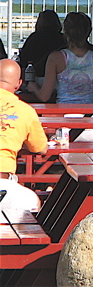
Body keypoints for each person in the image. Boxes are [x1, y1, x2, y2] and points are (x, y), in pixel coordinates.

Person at [27, 12, 93, 141]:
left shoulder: (56, 58)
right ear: (89, 31)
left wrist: (33, 87)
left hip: (63, 122)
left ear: (65, 32)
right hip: (91, 122)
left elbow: (44, 96)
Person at [0, 59, 48, 212]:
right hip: (3, 183)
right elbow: (40, 148)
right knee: (33, 203)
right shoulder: (25, 111)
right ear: (19, 84)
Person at [19, 10, 65, 78]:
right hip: (59, 74)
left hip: (36, 74)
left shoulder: (35, 37)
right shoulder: (63, 38)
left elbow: (23, 58)